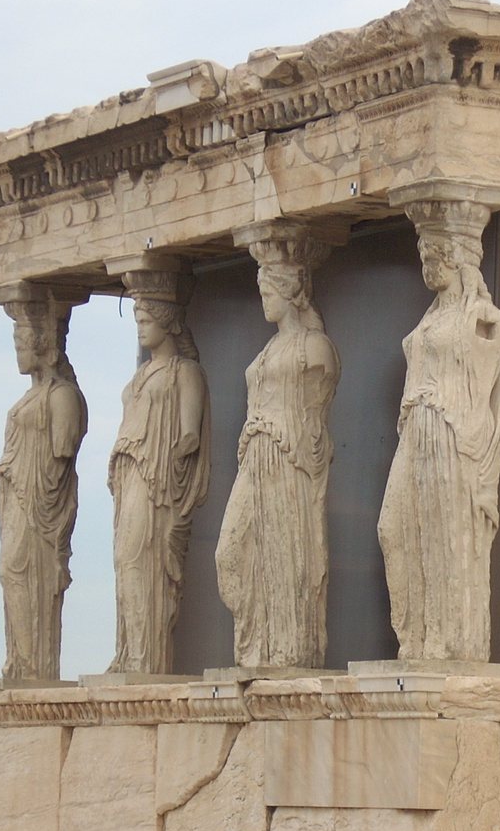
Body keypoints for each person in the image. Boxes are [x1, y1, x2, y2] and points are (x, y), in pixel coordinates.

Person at [378, 216, 500, 662]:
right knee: (393, 528)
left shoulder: (484, 319)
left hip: (452, 434)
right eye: (424, 255)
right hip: (416, 430)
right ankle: (414, 633)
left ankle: (444, 639)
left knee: (445, 535)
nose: (427, 264)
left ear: (458, 258)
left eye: (435, 255)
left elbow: (497, 392)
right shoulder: (430, 319)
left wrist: (474, 440)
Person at [216, 263, 340, 667]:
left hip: (289, 460)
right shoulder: (268, 349)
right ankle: (256, 645)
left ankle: (289, 650)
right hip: (254, 456)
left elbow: (316, 417)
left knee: (286, 554)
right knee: (230, 554)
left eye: (268, 291)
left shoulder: (315, 347)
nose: (263, 299)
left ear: (289, 293)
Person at [108, 298, 210, 675]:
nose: (141, 327)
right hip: (130, 475)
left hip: (158, 481)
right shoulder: (140, 376)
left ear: (168, 322)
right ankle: (130, 654)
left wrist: (162, 458)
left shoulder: (185, 372)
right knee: (125, 561)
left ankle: (145, 659)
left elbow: (189, 436)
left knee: (141, 561)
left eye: (147, 319)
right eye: (138, 319)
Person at [0, 302, 87, 681]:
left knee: (23, 574)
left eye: (23, 342)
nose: (18, 349)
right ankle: (22, 663)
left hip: (39, 505)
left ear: (44, 344)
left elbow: (63, 450)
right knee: (10, 575)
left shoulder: (62, 395)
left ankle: (37, 666)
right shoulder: (32, 397)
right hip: (17, 499)